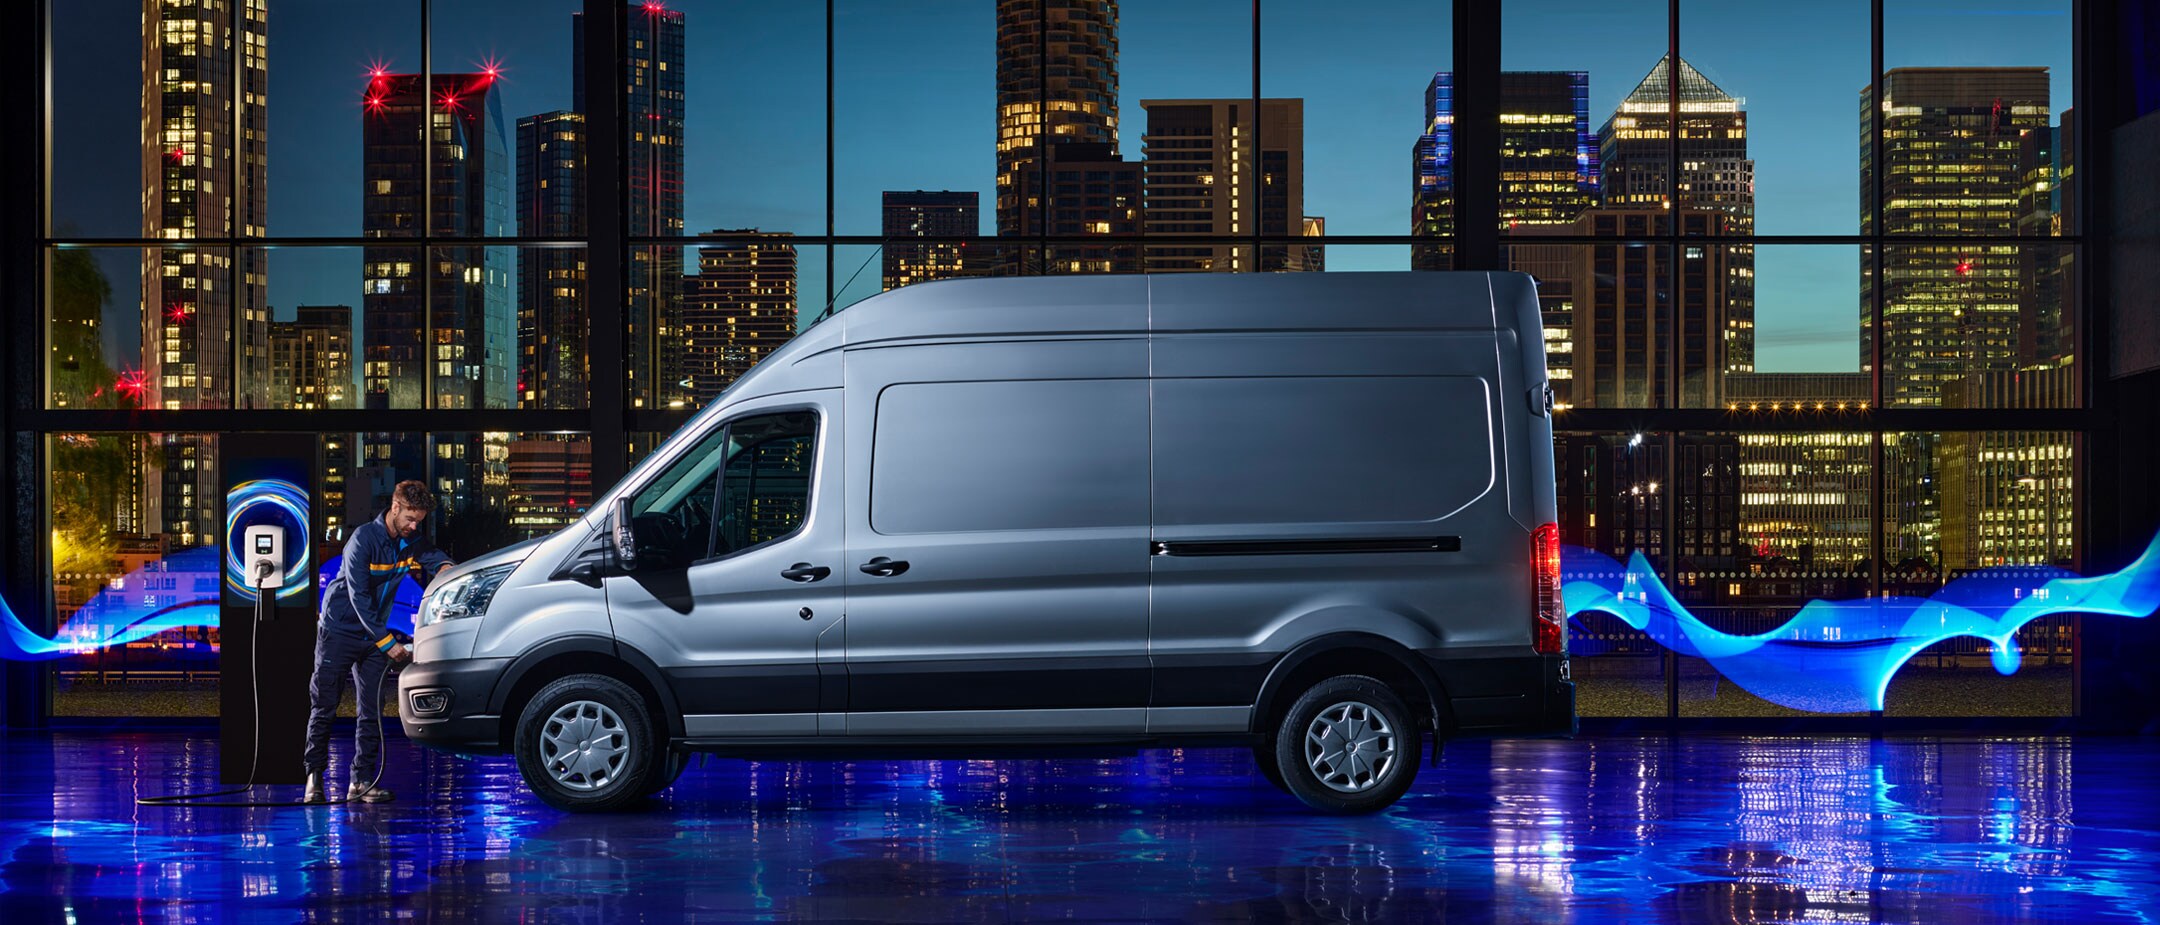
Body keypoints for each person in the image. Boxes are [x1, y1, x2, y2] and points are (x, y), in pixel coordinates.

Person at [303, 480, 455, 804]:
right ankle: (313, 779)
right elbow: (359, 597)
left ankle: (361, 782)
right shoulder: (363, 539)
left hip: (375, 638)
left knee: (371, 710)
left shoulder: (410, 540)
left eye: (420, 521)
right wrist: (387, 642)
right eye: (410, 519)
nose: (414, 526)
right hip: (339, 632)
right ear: (395, 508)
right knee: (324, 707)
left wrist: (447, 573)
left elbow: (440, 561)